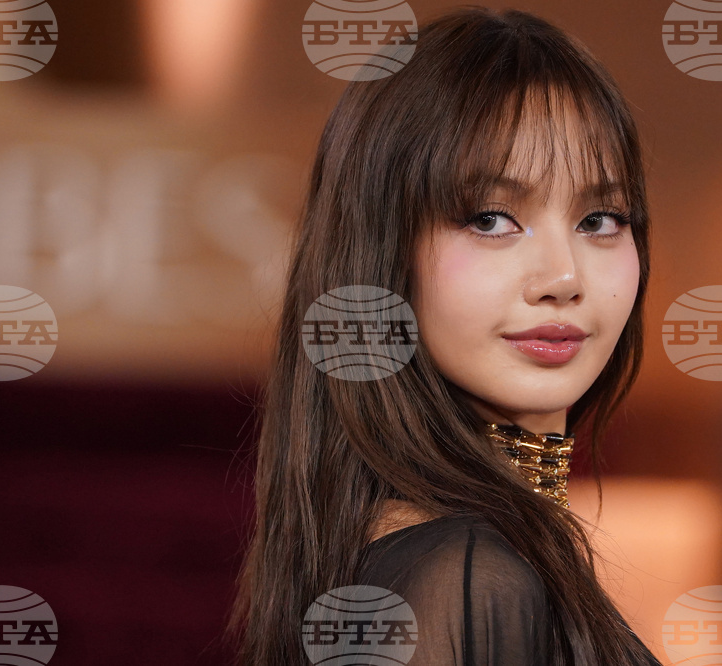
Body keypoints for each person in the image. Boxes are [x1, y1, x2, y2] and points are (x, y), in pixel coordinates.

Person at [231, 6, 661, 664]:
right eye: (491, 218)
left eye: (601, 217)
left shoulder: (475, 557)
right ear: (383, 254)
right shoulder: (460, 577)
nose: (564, 276)